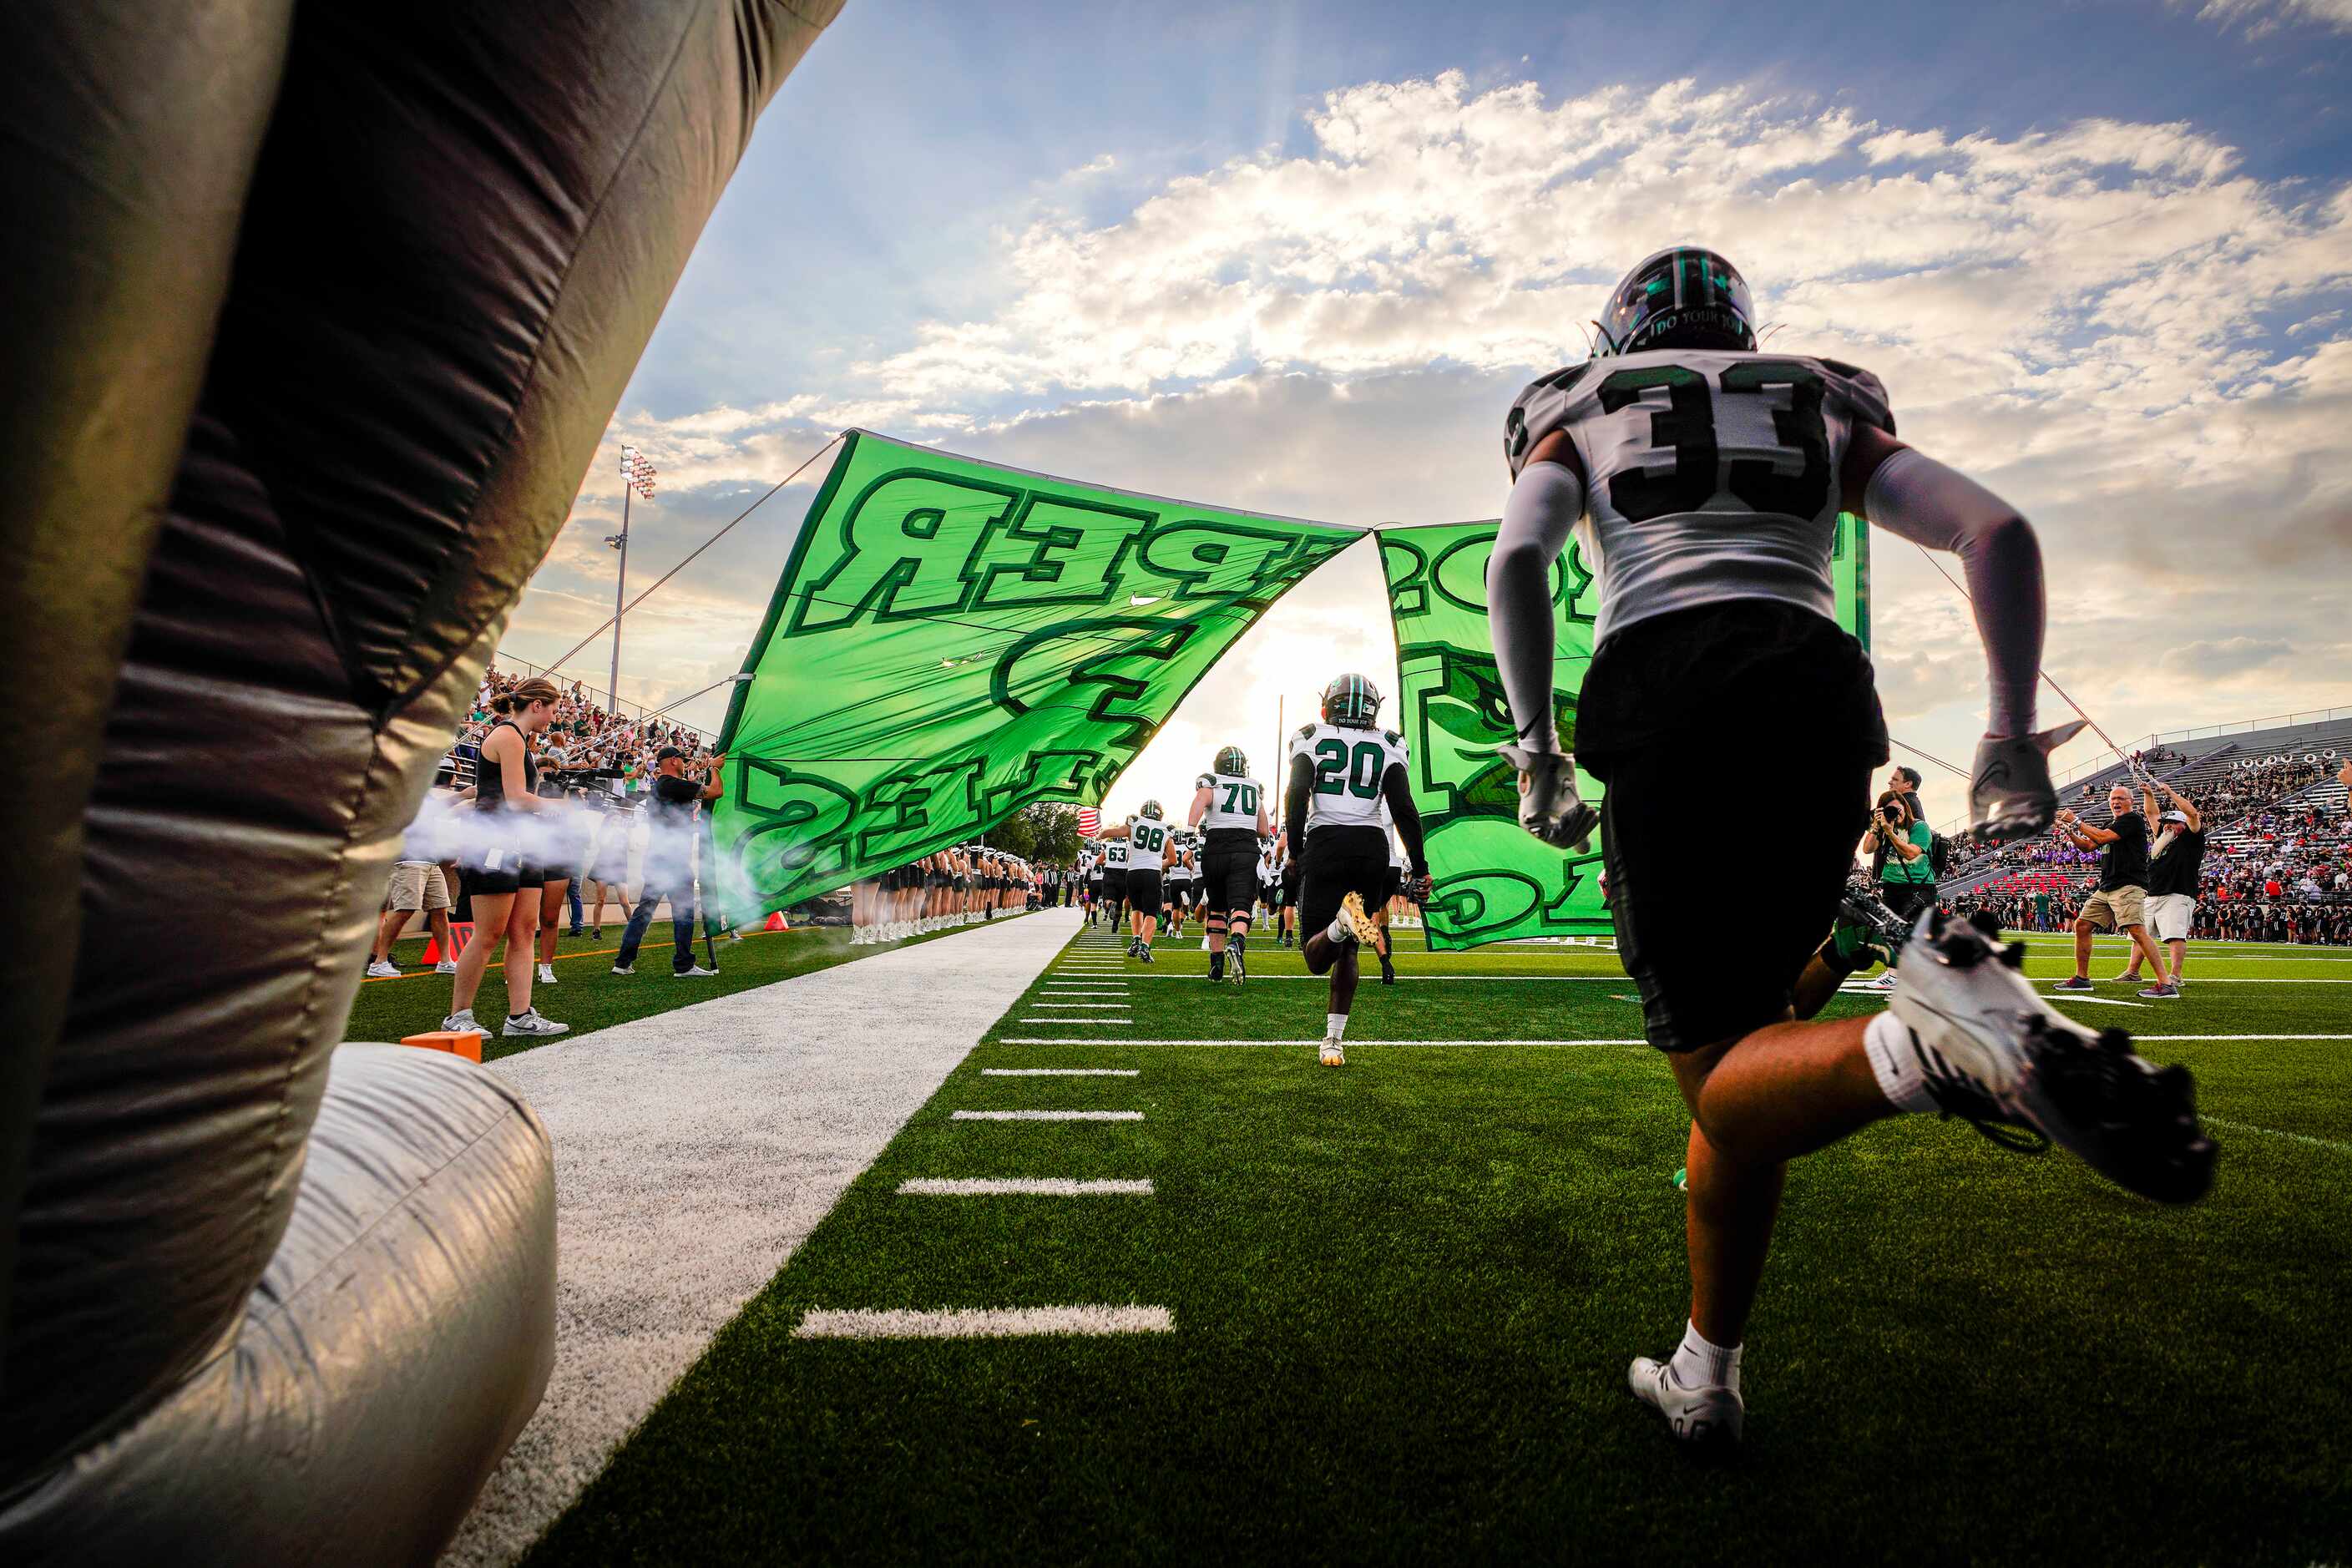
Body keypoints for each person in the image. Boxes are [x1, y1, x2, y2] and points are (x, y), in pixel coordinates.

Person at [1484, 245, 2211, 1449]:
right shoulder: (1815, 399)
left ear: (1621, 333)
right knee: (1753, 1055)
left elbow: (1517, 560)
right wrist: (2004, 733)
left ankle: (1926, 1043)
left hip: (1668, 685)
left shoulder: (1584, 407)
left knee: (1718, 1071)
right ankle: (1706, 1370)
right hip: (1817, 693)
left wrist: (1533, 750)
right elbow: (1996, 530)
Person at [1283, 675, 1431, 1066]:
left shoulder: (1310, 736)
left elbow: (1296, 796)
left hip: (1326, 842)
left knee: (1317, 958)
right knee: (1349, 949)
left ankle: (1340, 923)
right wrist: (1420, 868)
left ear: (1327, 705)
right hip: (1370, 848)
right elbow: (1403, 809)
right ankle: (1333, 1040)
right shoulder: (1390, 743)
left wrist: (1295, 853)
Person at [443, 680, 568, 1038]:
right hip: (495, 843)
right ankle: (458, 1016)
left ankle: (520, 1015)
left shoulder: (521, 742)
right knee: (489, 933)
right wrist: (560, 807)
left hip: (522, 843)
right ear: (538, 705)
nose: (555, 718)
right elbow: (515, 798)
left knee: (524, 930)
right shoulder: (508, 736)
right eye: (554, 710)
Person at [614, 746, 724, 978]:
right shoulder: (672, 784)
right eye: (682, 760)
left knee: (644, 912)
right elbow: (715, 791)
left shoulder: (662, 787)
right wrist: (714, 768)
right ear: (674, 761)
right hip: (673, 860)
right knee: (683, 912)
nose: (685, 764)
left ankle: (623, 962)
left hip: (657, 858)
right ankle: (683, 964)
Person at [2052, 784, 2171, 991]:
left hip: (2128, 884)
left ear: (2131, 801)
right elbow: (2089, 847)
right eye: (2113, 799)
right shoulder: (2112, 823)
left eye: (2120, 798)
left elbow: (2103, 838)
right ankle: (2082, 978)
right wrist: (2070, 832)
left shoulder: (2132, 820)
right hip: (2107, 885)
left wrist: (2076, 821)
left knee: (2137, 931)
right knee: (2082, 925)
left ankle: (2166, 983)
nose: (2115, 802)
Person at [1191, 745, 1275, 984]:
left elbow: (1201, 799)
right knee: (1240, 905)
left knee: (1216, 907)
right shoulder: (1253, 786)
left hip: (1215, 849)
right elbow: (1262, 828)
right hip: (1245, 850)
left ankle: (1216, 965)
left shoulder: (1211, 781)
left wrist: (1189, 829)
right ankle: (1237, 942)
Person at [2122, 779, 2203, 997]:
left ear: (2181, 826)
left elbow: (2193, 814)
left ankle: (2175, 975)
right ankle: (2132, 971)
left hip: (2178, 892)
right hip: (2153, 892)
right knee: (2141, 935)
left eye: (2171, 823)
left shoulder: (2191, 838)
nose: (2166, 825)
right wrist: (2148, 793)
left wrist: (2169, 792)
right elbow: (2151, 813)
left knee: (2174, 935)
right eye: (2165, 823)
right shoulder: (2162, 837)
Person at [369, 795, 458, 979]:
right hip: (409, 860)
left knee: (440, 910)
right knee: (405, 910)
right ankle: (379, 962)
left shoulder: (424, 793)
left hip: (430, 862)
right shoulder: (406, 792)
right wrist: (464, 796)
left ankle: (445, 961)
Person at [1858, 790, 1936, 992]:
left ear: (1905, 807)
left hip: (1918, 887)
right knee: (1891, 931)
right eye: (1889, 810)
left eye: (1897, 809)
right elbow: (1867, 849)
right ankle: (1893, 976)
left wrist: (1890, 832)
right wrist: (1877, 827)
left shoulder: (1919, 827)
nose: (1895, 814)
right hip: (1892, 886)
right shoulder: (1884, 827)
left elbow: (1911, 853)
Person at [1097, 803, 1171, 962]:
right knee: (1151, 912)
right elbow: (1173, 859)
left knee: (1136, 908)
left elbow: (1111, 832)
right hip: (1152, 873)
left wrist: (1101, 834)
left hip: (1133, 873)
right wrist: (1158, 862)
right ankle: (1145, 946)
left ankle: (1136, 938)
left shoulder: (1135, 823)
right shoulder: (1165, 829)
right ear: (1160, 814)